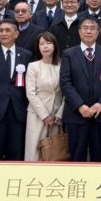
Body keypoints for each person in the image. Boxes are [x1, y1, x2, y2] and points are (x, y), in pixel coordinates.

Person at [59, 17, 101, 161]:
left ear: (98, 32)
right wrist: (80, 106)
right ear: (79, 32)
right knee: (76, 155)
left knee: (99, 155)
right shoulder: (69, 54)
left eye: (93, 28)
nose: (89, 31)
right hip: (77, 114)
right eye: (85, 28)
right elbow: (65, 82)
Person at [0, 19, 33, 160]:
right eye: (1, 30)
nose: (3, 33)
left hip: (18, 112)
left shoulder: (26, 55)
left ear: (16, 34)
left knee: (17, 153)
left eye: (8, 30)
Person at [24, 32, 65, 161]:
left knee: (53, 151)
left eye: (48, 43)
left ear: (55, 45)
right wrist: (45, 115)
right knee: (34, 150)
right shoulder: (33, 66)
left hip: (56, 115)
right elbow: (31, 93)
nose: (45, 46)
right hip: (37, 114)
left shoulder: (62, 65)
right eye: (41, 44)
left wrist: (60, 114)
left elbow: (67, 92)